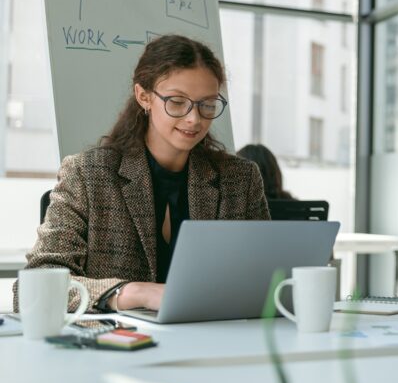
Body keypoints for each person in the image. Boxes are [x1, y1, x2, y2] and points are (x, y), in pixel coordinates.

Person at [15, 35, 269, 313]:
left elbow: (265, 276)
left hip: (213, 338)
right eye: (176, 102)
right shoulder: (88, 175)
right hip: (114, 347)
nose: (194, 119)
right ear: (144, 97)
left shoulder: (240, 179)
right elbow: (33, 289)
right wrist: (133, 293)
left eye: (207, 104)